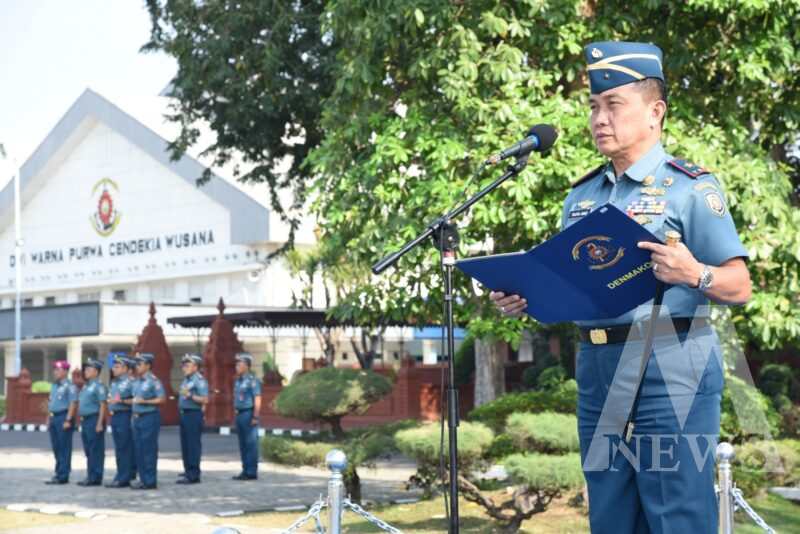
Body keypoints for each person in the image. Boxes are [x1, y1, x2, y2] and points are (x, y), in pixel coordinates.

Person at [490, 41, 751, 533]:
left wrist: (694, 273)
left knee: (677, 516)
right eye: (593, 107)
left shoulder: (691, 188)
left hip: (672, 366)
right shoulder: (581, 197)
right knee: (610, 517)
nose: (599, 118)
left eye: (614, 105)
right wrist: (526, 297)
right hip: (598, 368)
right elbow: (574, 287)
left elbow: (740, 285)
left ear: (655, 112)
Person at [131, 352, 165, 490]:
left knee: (148, 450)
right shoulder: (137, 381)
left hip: (149, 417)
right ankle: (143, 479)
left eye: (139, 364)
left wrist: (145, 401)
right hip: (137, 418)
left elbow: (162, 399)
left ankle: (150, 481)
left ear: (148, 365)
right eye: (136, 364)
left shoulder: (154, 381)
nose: (137, 366)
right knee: (139, 450)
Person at [177, 353, 209, 484]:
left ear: (195, 366)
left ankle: (194, 474)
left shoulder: (199, 380)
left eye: (187, 365)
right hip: (184, 414)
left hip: (193, 414)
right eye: (183, 365)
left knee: (193, 445)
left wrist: (190, 395)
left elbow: (205, 399)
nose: (184, 367)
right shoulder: (187, 380)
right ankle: (188, 470)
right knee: (185, 445)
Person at [45, 360, 79, 485]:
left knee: (64, 447)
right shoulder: (54, 386)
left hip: (63, 417)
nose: (55, 372)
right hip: (54, 418)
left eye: (58, 370)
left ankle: (63, 475)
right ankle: (58, 472)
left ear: (65, 371)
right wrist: (48, 418)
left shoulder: (70, 386)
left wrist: (68, 420)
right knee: (56, 447)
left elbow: (73, 403)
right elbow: (50, 403)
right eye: (55, 369)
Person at [76, 357, 108, 487]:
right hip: (86, 421)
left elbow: (103, 405)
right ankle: (90, 475)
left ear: (96, 371)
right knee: (88, 450)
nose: (86, 371)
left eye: (89, 369)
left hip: (94, 419)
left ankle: (95, 477)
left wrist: (100, 423)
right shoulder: (86, 386)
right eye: (86, 369)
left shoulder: (99, 386)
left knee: (96, 450)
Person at [105, 353, 135, 488]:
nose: (114, 369)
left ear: (125, 368)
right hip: (115, 416)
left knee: (124, 447)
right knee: (119, 448)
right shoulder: (115, 382)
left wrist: (121, 401)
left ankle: (124, 477)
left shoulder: (131, 382)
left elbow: (137, 400)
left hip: (125, 415)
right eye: (114, 366)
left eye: (117, 367)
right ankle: (122, 473)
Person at [232, 352, 261, 481]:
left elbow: (257, 398)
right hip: (239, 414)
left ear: (247, 365)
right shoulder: (238, 381)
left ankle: (251, 471)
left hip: (249, 413)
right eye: (236, 363)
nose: (237, 366)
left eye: (240, 363)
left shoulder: (252, 381)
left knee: (251, 444)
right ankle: (245, 470)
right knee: (243, 444)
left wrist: (255, 416)